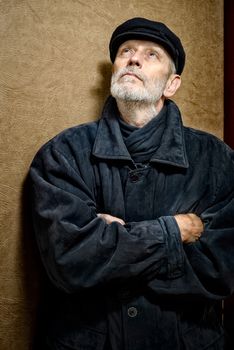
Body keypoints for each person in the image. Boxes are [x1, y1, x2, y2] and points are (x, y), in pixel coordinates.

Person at [29, 17, 234, 350]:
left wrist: (112, 244)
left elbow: (221, 270)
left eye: (151, 54)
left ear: (171, 84)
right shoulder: (64, 154)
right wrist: (176, 230)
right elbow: (70, 263)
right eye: (125, 51)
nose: (133, 59)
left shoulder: (217, 160)